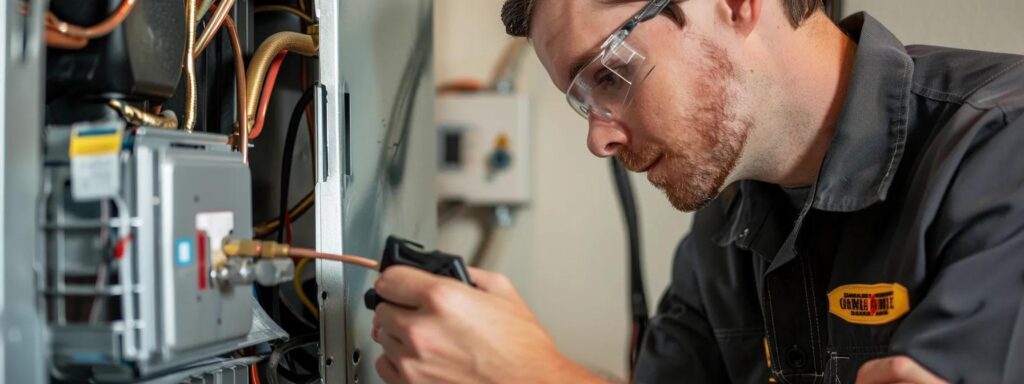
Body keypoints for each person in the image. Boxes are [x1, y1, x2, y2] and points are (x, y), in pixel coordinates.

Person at [371, 0, 1024, 382]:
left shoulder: (1002, 149)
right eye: (583, 99)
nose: (598, 140)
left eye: (607, 72)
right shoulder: (722, 232)